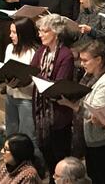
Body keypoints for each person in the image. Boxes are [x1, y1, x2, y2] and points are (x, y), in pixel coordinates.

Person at [61, 40, 105, 184]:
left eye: (85, 60)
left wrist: (72, 106)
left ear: (98, 60)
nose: (82, 64)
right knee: (93, 174)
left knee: (103, 177)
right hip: (90, 137)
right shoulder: (90, 75)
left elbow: (96, 114)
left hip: (101, 139)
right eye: (81, 60)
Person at [31, 14, 75, 173]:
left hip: (58, 113)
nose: (40, 34)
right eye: (39, 31)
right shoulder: (41, 50)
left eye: (44, 31)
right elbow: (31, 70)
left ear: (55, 32)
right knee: (46, 151)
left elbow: (59, 84)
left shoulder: (66, 55)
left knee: (59, 155)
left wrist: (37, 76)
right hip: (41, 110)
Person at [4, 18, 40, 143]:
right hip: (10, 96)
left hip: (26, 99)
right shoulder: (9, 48)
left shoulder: (34, 53)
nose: (10, 35)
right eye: (11, 32)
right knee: (11, 133)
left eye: (14, 32)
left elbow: (35, 79)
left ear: (23, 34)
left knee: (28, 136)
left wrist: (20, 82)